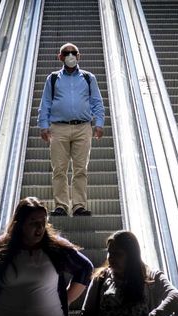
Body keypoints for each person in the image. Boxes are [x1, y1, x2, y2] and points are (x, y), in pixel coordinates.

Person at [0, 196, 93, 316]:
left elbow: (85, 268)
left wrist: (65, 300)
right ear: (19, 224)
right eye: (33, 222)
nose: (40, 227)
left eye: (43, 221)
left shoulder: (56, 247)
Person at [38, 43, 105, 217]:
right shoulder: (52, 78)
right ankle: (61, 205)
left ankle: (79, 206)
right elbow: (45, 103)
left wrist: (99, 123)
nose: (70, 56)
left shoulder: (88, 78)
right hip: (58, 128)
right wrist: (43, 125)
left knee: (80, 168)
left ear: (79, 56)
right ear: (59, 57)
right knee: (59, 169)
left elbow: (97, 101)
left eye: (73, 53)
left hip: (83, 127)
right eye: (66, 53)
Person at [78, 231, 178, 316]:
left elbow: (176, 297)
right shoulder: (101, 278)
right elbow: (86, 314)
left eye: (118, 254)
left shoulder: (151, 277)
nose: (111, 258)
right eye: (109, 252)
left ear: (131, 256)